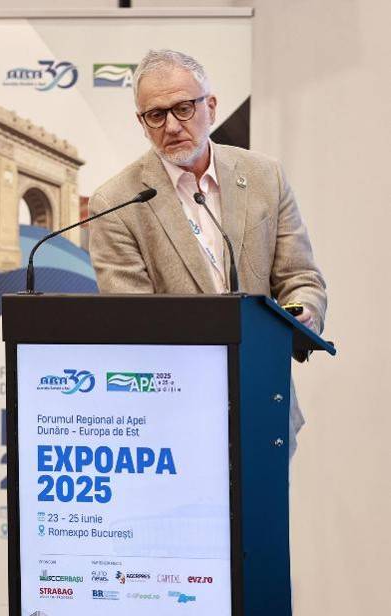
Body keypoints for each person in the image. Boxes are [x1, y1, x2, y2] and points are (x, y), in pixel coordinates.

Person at [89, 49, 327, 454]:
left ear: (211, 107)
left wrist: (303, 310)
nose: (171, 125)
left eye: (184, 108)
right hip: (172, 418)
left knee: (265, 499)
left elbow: (301, 277)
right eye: (156, 115)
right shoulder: (116, 202)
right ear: (141, 123)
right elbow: (133, 323)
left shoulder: (265, 176)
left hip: (264, 403)